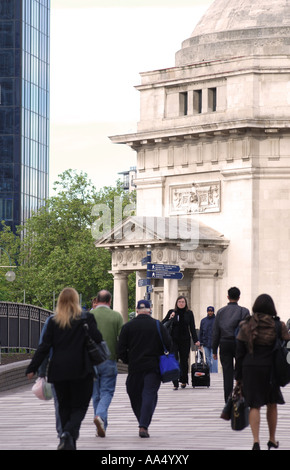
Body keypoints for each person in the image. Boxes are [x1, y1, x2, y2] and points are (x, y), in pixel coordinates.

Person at [26, 287, 103, 450]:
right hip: (82, 370)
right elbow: (98, 338)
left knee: (64, 406)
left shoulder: (53, 322)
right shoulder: (86, 318)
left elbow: (44, 347)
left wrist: (32, 367)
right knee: (80, 407)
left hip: (58, 371)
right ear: (76, 301)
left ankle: (67, 440)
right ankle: (68, 433)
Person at [235, 294, 290, 450]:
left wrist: (238, 376)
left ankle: (255, 441)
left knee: (254, 405)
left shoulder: (245, 325)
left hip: (250, 368)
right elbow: (287, 342)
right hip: (271, 369)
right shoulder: (278, 325)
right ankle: (272, 439)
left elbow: (239, 353)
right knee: (272, 403)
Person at [118, 299, 172, 438]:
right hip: (153, 367)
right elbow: (168, 344)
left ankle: (142, 421)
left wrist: (128, 360)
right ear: (150, 310)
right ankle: (143, 424)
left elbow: (121, 350)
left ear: (136, 310)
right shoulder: (157, 325)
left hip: (135, 367)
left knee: (134, 394)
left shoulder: (128, 327)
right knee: (149, 394)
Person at [90, 289, 124, 437]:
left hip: (90, 361)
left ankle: (102, 424)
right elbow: (121, 339)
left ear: (96, 301)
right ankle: (101, 417)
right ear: (110, 301)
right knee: (107, 392)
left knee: (95, 394)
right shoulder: (116, 316)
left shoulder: (88, 316)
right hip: (109, 360)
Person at [212, 287, 250, 402]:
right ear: (239, 297)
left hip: (224, 343)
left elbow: (216, 332)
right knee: (241, 371)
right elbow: (248, 331)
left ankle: (228, 399)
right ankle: (241, 397)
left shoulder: (220, 312)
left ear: (228, 297)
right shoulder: (244, 311)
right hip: (239, 344)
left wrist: (214, 349)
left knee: (227, 373)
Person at [162, 295, 200, 389]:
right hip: (173, 340)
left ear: (185, 303)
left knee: (184, 360)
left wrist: (196, 340)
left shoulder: (189, 313)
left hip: (185, 340)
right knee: (174, 360)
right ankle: (175, 382)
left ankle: (183, 380)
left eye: (183, 302)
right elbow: (163, 323)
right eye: (179, 302)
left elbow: (192, 327)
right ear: (176, 303)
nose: (181, 303)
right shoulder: (172, 312)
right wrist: (170, 318)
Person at [199, 306, 218, 373]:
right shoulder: (203, 321)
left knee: (214, 359)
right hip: (206, 342)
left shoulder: (216, 320)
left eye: (211, 311)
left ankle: (215, 373)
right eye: (209, 311)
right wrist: (200, 342)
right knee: (207, 359)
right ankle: (209, 372)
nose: (210, 312)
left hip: (214, 343)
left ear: (213, 312)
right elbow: (201, 332)